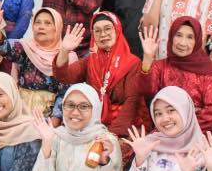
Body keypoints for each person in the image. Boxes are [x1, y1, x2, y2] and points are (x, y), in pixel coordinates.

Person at [53, 12, 146, 150]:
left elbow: (131, 102)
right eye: (97, 31)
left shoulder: (133, 63)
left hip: (122, 127)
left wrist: (110, 135)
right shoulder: (90, 61)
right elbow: (64, 75)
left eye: (108, 28)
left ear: (117, 30)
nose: (103, 34)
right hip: (94, 123)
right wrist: (64, 50)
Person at [136, 18, 212, 137]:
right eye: (178, 35)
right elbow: (145, 91)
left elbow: (211, 113)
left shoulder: (208, 70)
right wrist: (147, 57)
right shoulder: (161, 66)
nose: (182, 43)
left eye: (190, 37)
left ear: (197, 41)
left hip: (200, 133)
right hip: (166, 129)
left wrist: (179, 131)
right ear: (171, 37)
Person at [0, 6, 75, 122]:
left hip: (47, 119)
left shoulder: (66, 56)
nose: (41, 27)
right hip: (19, 115)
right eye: (37, 22)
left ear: (58, 28)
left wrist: (53, 124)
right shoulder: (26, 47)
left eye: (47, 23)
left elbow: (64, 94)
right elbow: (3, 47)